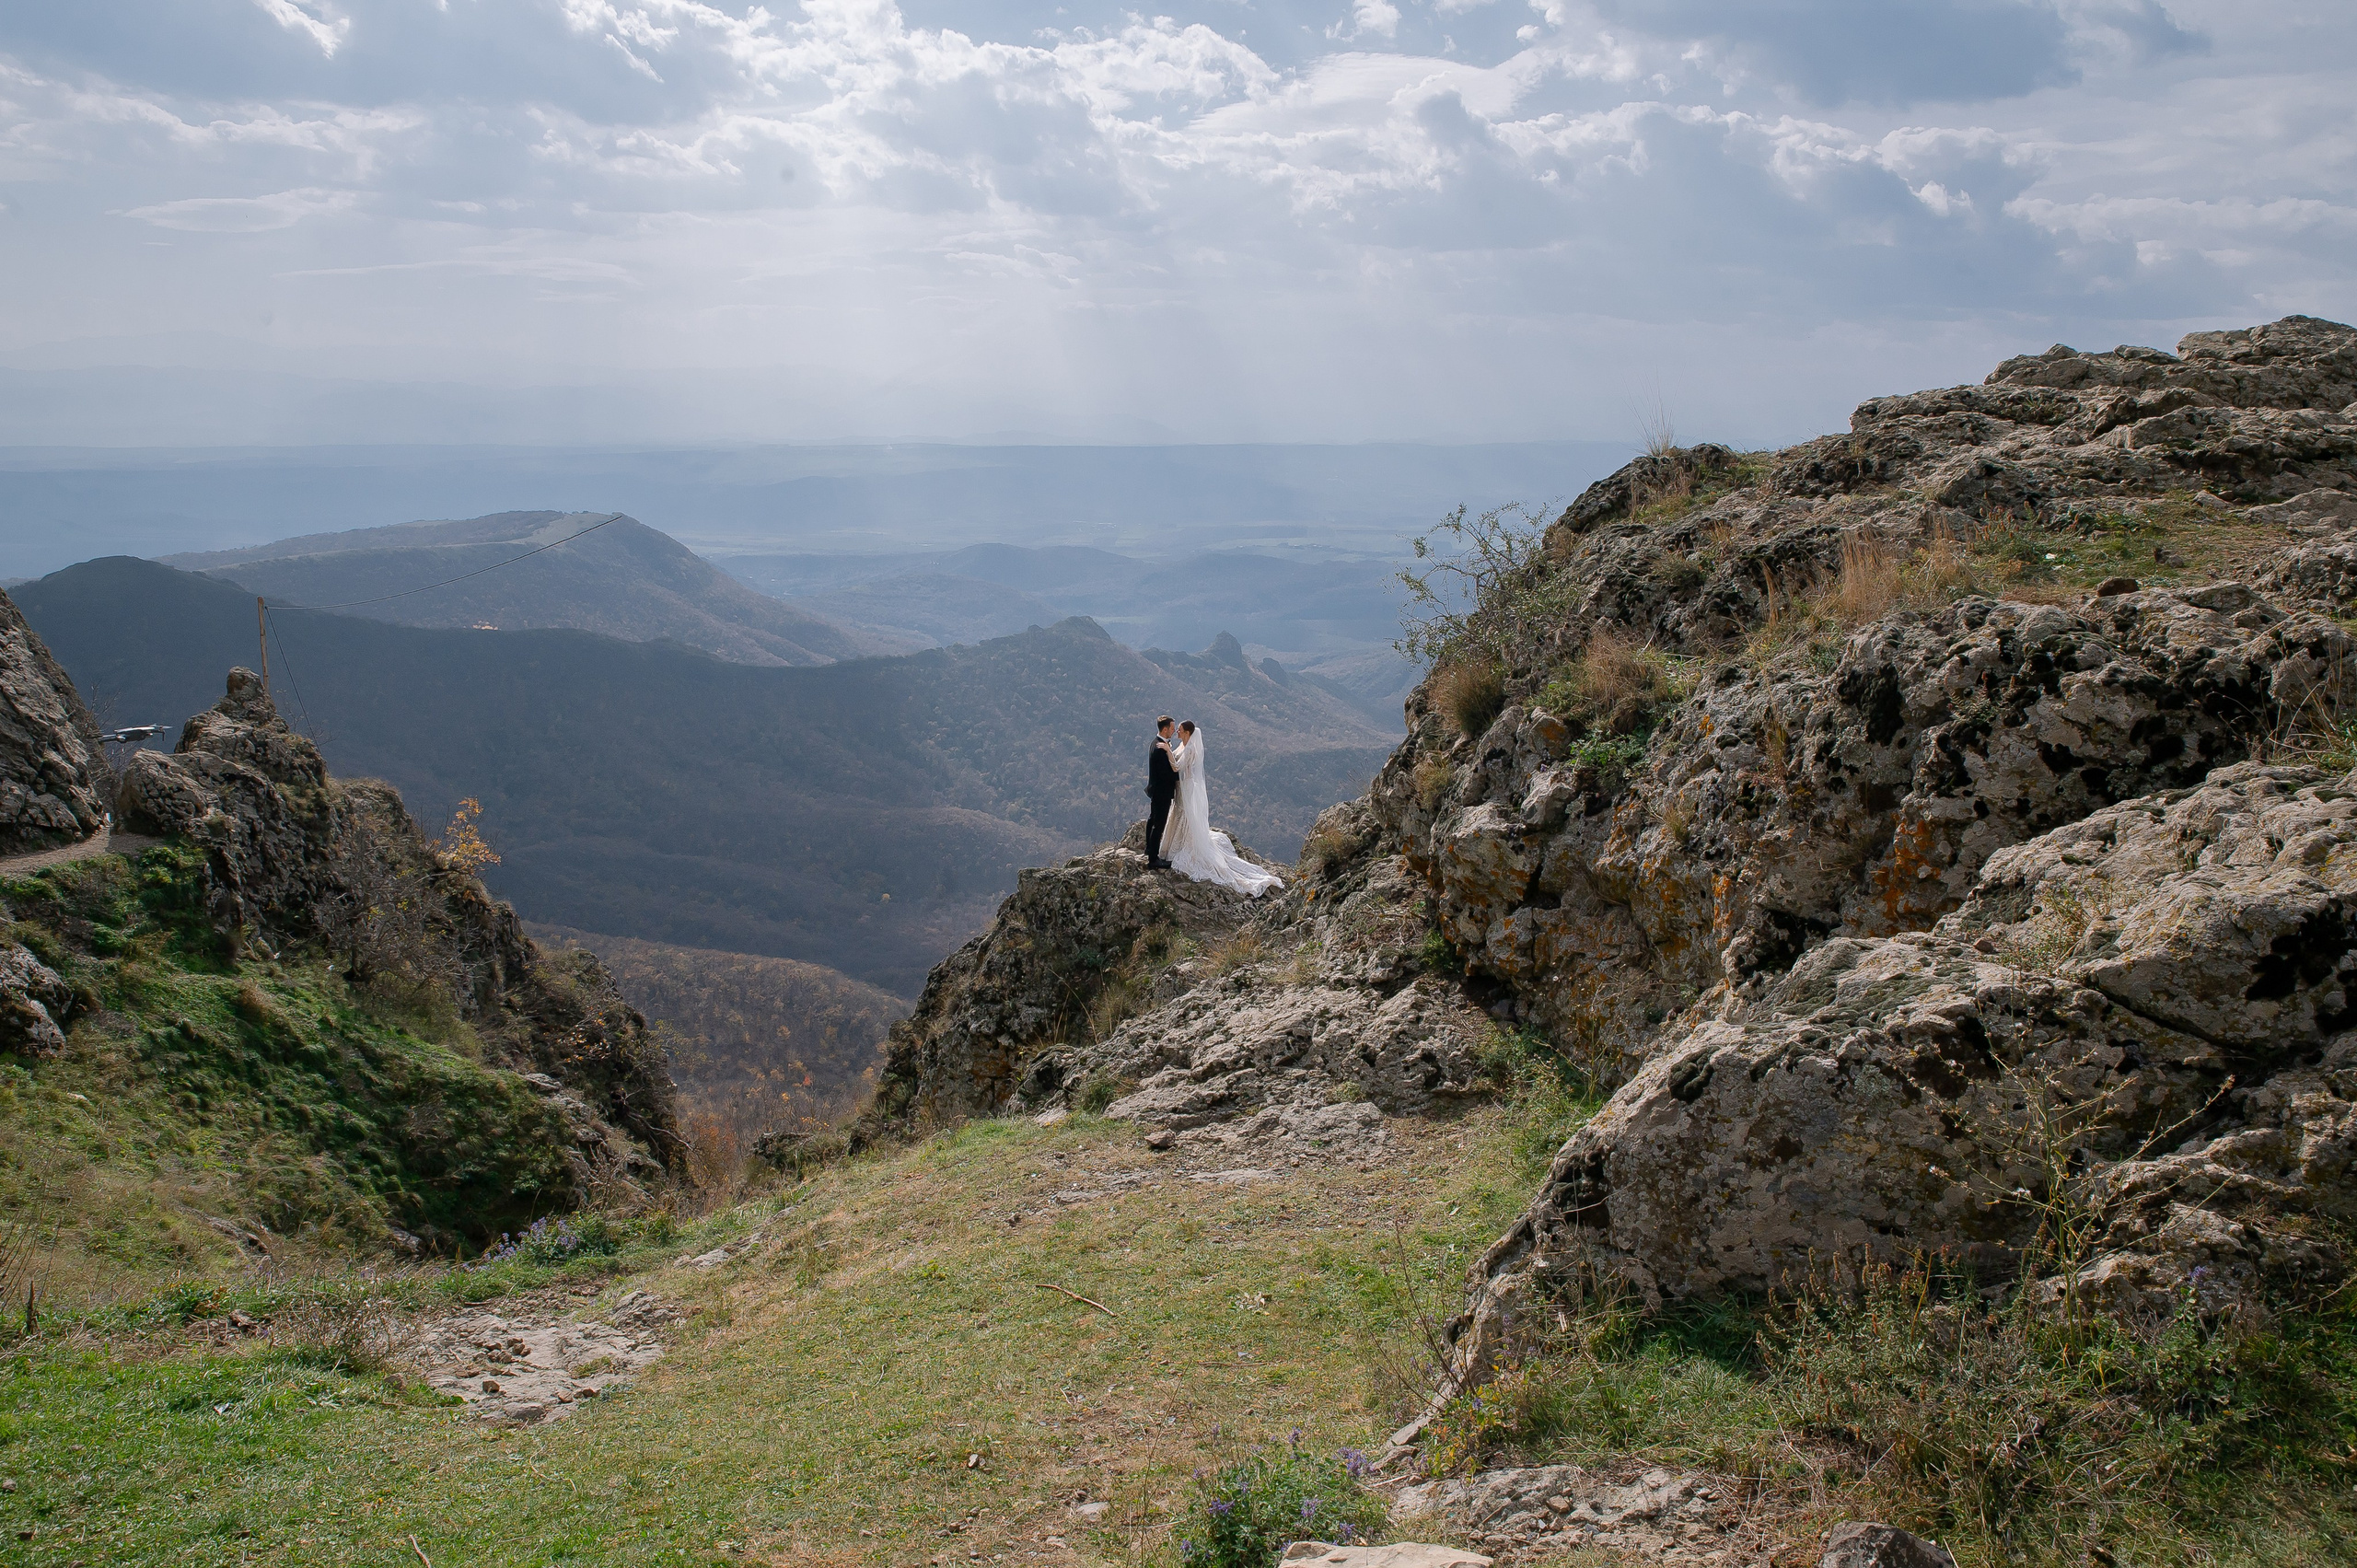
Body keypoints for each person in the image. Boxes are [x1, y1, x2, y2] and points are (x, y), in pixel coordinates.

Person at [1161, 721, 1283, 897]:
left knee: (1185, 815)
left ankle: (1183, 845)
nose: (1177, 731)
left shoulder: (1191, 749)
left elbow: (1177, 767)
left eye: (1179, 729)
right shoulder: (1182, 745)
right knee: (1179, 812)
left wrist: (1166, 751)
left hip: (1186, 787)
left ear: (1187, 732)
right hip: (1180, 788)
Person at [1144, 714, 1178, 870]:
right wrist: (1181, 774)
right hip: (1162, 792)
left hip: (1156, 790)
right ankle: (1153, 860)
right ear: (1165, 729)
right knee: (1159, 825)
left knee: (1152, 820)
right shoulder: (1160, 749)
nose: (1174, 730)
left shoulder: (1155, 743)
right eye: (1172, 728)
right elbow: (1167, 775)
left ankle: (1148, 849)